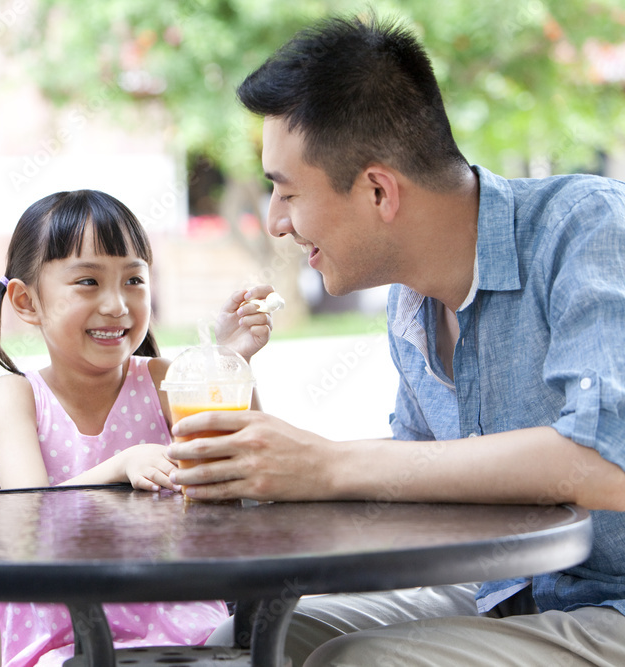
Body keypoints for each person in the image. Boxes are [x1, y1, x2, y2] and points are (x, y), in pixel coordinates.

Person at [166, 13, 625, 667]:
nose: (274, 222)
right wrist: (273, 464)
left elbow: (608, 460)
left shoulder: (587, 227)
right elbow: (420, 471)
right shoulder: (411, 303)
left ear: (379, 189)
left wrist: (326, 465)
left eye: (287, 191)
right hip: (509, 595)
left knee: (358, 661)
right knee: (248, 637)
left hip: (613, 605)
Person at [0, 189, 275, 666]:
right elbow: (30, 515)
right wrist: (120, 465)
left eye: (134, 280)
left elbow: (252, 465)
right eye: (87, 281)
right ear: (27, 300)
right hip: (61, 630)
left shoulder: (166, 380)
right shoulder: (16, 394)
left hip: (174, 618)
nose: (118, 304)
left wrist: (228, 363)